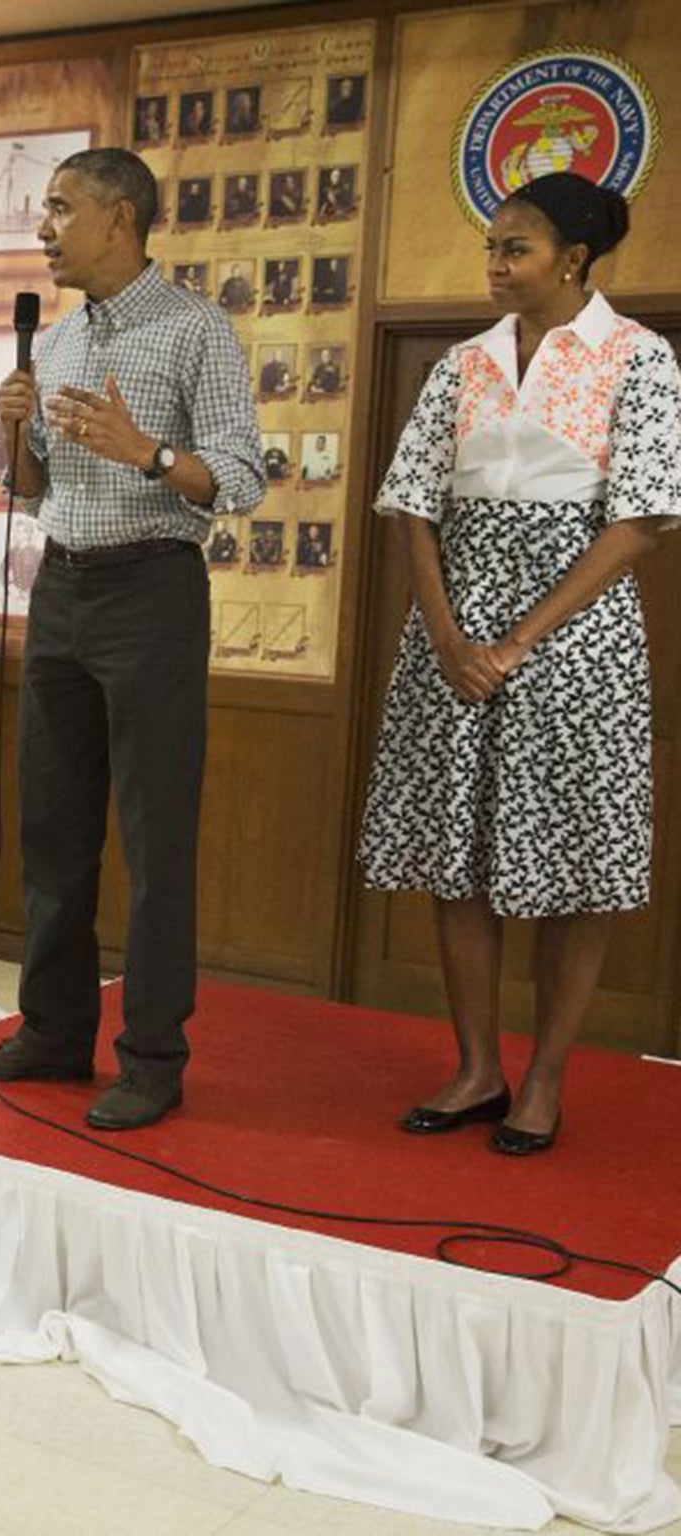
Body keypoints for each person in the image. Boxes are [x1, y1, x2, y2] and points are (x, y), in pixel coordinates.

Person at [0, 147, 264, 1130]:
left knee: (155, 839)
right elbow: (34, 493)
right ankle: (50, 1031)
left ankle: (153, 1056)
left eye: (57, 208)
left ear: (119, 218)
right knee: (50, 827)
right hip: (62, 591)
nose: (42, 227)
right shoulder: (62, 343)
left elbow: (241, 480)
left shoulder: (196, 330)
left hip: (152, 593)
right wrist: (12, 436)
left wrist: (149, 452)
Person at [359, 173, 676, 1156]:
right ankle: (473, 1068)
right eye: (490, 247)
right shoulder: (461, 363)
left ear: (572, 259)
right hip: (451, 630)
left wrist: (517, 641)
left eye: (516, 248)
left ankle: (541, 1081)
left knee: (572, 862)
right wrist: (447, 636)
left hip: (575, 639)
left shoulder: (638, 359)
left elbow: (637, 523)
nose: (494, 265)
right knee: (455, 853)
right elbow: (410, 502)